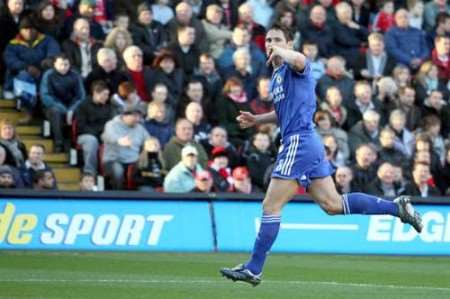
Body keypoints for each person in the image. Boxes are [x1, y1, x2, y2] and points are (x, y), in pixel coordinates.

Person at [220, 25, 423, 286]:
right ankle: (397, 208)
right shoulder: (277, 75)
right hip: (308, 143)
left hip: (299, 142)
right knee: (333, 205)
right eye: (268, 39)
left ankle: (254, 268)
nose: (271, 43)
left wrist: (282, 51)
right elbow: (284, 112)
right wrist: (257, 118)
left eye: (278, 40)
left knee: (270, 206)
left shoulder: (297, 65)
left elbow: (301, 60)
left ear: (289, 43)